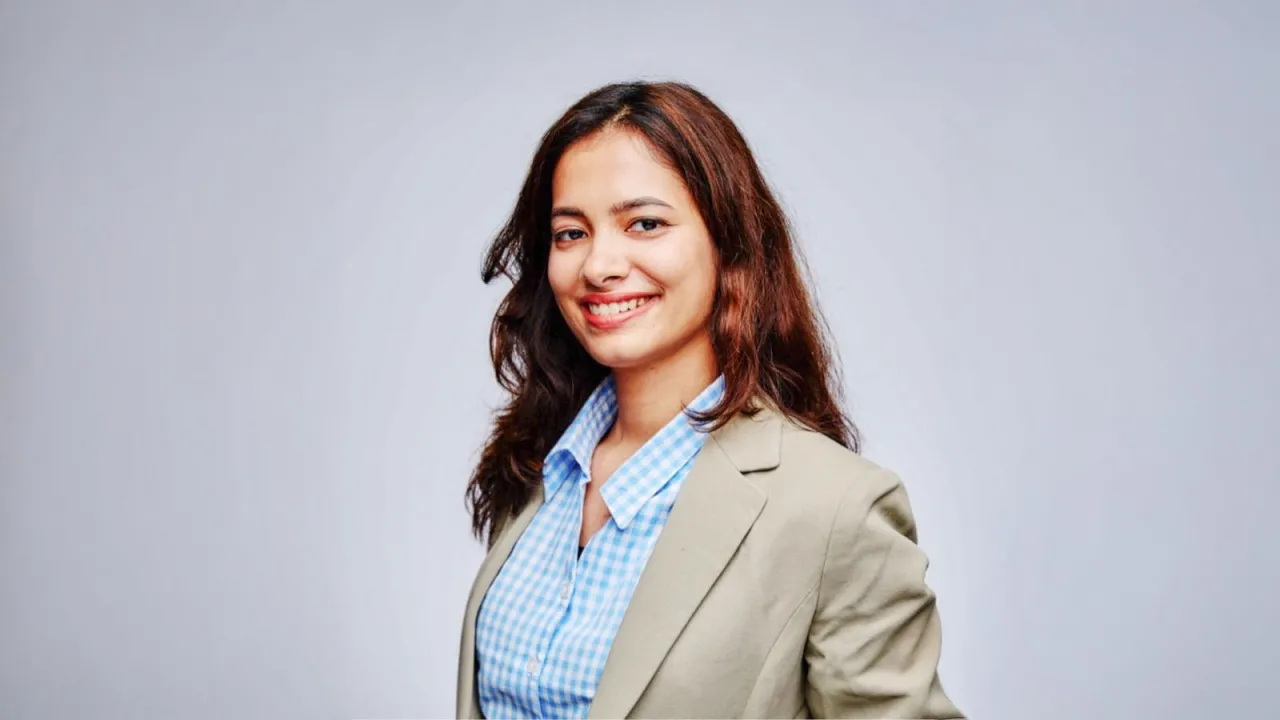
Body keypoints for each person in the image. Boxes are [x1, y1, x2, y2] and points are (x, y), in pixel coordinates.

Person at [456, 80, 963, 719]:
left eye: (645, 224)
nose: (599, 265)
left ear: (730, 247)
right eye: (570, 232)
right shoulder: (538, 464)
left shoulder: (835, 507)